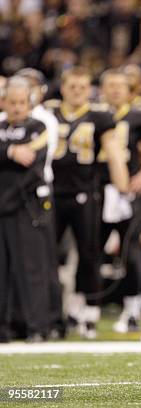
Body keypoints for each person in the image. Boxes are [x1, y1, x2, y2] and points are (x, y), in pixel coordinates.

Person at [47, 66, 129, 339]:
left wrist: (122, 183)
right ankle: (51, 312)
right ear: (62, 87)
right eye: (73, 86)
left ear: (90, 89)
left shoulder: (99, 116)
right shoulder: (49, 113)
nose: (77, 91)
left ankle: (90, 312)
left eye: (82, 86)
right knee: (47, 254)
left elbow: (114, 151)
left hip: (86, 193)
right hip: (52, 194)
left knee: (89, 252)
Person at [99, 69, 141, 333]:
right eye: (110, 85)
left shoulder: (140, 115)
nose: (115, 90)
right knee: (93, 249)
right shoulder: (96, 115)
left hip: (129, 192)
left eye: (120, 85)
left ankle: (133, 310)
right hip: (98, 190)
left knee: (131, 249)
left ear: (130, 90)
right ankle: (84, 310)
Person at [0, 77, 50, 342]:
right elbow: (15, 156)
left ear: (29, 104)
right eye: (12, 102)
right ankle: (4, 328)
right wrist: (9, 151)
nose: (17, 107)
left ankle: (37, 327)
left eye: (22, 102)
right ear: (4, 102)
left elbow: (32, 164)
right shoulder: (1, 127)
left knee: (30, 269)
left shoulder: (38, 127)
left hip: (25, 207)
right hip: (3, 208)